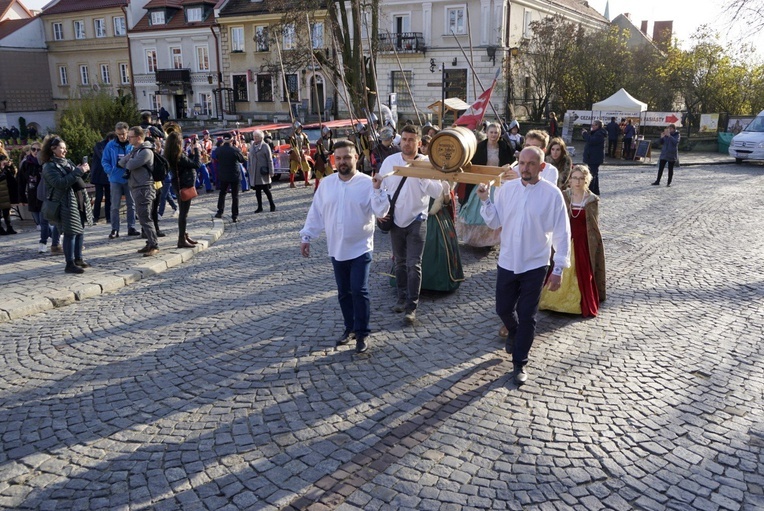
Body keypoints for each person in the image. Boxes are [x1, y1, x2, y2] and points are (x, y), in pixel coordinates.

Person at [477, 146, 570, 385]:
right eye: (522, 163)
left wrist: (558, 268)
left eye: (531, 164)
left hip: (535, 263)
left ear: (541, 166)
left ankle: (520, 362)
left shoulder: (552, 195)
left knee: (528, 315)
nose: (525, 168)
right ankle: (514, 332)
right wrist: (486, 200)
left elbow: (562, 233)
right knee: (503, 309)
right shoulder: (507, 190)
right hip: (507, 260)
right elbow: (496, 221)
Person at [300, 140, 390, 354]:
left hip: (360, 247)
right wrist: (307, 236)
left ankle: (362, 333)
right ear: (333, 160)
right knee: (344, 292)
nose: (342, 162)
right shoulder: (327, 184)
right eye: (338, 158)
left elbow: (381, 212)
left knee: (359, 290)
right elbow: (317, 212)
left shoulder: (368, 183)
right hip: (336, 248)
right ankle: (349, 327)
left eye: (347, 157)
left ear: (356, 158)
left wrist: (378, 189)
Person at [374, 125, 448, 324]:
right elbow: (380, 189)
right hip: (396, 219)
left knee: (413, 264)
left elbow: (436, 192)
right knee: (399, 262)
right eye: (404, 139)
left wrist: (423, 176)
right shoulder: (390, 161)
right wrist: (379, 212)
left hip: (417, 219)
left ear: (419, 142)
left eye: (411, 139)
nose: (407, 143)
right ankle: (400, 297)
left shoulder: (427, 163)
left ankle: (411, 306)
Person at [539, 165, 605, 317]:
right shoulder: (564, 195)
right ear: (570, 180)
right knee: (560, 266)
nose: (578, 181)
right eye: (575, 178)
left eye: (581, 178)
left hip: (583, 240)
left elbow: (594, 224)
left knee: (581, 270)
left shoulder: (591, 199)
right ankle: (554, 300)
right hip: (565, 237)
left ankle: (580, 302)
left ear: (586, 180)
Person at [40, 135, 93, 273]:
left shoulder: (66, 162)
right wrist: (78, 171)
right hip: (64, 202)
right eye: (62, 148)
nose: (65, 151)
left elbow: (77, 178)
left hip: (78, 199)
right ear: (53, 149)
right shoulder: (49, 166)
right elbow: (60, 183)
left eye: (65, 148)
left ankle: (78, 259)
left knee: (80, 230)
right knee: (70, 232)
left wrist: (83, 171)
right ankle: (69, 264)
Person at [456, 122, 513, 248]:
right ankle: (474, 239)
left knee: (495, 211)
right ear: (487, 133)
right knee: (475, 210)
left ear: (499, 134)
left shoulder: (505, 147)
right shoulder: (480, 147)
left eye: (496, 132)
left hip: (498, 183)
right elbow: (473, 164)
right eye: (491, 132)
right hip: (481, 182)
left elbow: (511, 162)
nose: (493, 135)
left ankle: (489, 241)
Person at [119, 126, 159, 257]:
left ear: (139, 137)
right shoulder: (136, 151)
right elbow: (121, 162)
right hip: (137, 187)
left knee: (145, 217)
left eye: (130, 136)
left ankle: (154, 244)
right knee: (142, 218)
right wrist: (130, 159)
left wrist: (129, 160)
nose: (128, 138)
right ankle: (149, 242)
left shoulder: (145, 152)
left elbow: (128, 164)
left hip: (145, 188)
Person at [102, 122, 139, 239]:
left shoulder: (132, 145)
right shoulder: (110, 145)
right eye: (118, 134)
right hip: (115, 179)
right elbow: (104, 160)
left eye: (123, 134)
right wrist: (110, 170)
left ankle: (131, 227)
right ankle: (115, 229)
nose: (121, 137)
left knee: (131, 204)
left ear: (127, 132)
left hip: (129, 178)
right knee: (115, 205)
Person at [165, 131, 200, 248]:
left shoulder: (171, 154)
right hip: (184, 185)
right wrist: (197, 151)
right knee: (183, 214)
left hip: (178, 184)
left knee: (183, 211)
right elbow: (196, 164)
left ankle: (184, 235)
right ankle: (181, 239)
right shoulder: (178, 156)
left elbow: (187, 163)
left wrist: (191, 153)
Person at [214, 134, 246, 222]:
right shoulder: (235, 150)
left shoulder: (218, 150)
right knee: (235, 196)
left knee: (222, 193)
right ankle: (234, 216)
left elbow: (215, 157)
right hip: (234, 174)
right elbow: (242, 160)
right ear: (232, 140)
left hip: (223, 174)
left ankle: (220, 212)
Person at [18, 142, 44, 242]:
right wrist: (21, 198)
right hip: (32, 193)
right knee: (37, 221)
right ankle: (52, 237)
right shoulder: (26, 163)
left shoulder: (44, 162)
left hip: (43, 194)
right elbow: (21, 181)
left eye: (38, 150)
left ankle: (52, 240)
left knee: (43, 221)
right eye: (33, 149)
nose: (35, 152)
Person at [248, 130, 276, 213]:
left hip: (263, 172)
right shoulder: (252, 146)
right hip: (255, 172)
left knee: (266, 190)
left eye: (256, 136)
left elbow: (269, 160)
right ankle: (259, 207)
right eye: (254, 136)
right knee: (257, 191)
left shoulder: (265, 146)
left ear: (261, 137)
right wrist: (249, 169)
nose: (255, 138)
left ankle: (272, 204)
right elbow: (249, 159)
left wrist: (271, 172)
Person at [90, 133, 114, 224]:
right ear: (109, 138)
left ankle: (108, 217)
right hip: (99, 175)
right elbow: (103, 156)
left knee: (109, 197)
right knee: (99, 197)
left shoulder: (112, 146)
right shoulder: (99, 145)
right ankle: (96, 217)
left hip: (108, 175)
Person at [582, 119, 606, 195]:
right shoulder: (596, 133)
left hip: (594, 157)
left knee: (592, 175)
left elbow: (591, 141)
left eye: (594, 124)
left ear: (598, 126)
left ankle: (591, 190)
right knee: (594, 174)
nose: (592, 126)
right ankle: (595, 190)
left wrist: (585, 134)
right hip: (592, 157)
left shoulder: (599, 134)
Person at [288, 122, 311, 188]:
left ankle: (306, 181)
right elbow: (294, 146)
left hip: (301, 152)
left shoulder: (303, 135)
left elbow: (307, 142)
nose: (299, 129)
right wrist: (297, 155)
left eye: (300, 128)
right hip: (294, 153)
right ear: (295, 128)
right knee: (293, 168)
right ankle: (292, 183)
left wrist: (308, 148)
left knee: (306, 166)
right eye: (298, 128)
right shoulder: (293, 136)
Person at [0, 154, 18, 235]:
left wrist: (10, 166)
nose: (5, 162)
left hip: (6, 195)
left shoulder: (6, 169)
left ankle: (9, 227)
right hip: (1, 195)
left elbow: (13, 176)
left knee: (6, 212)